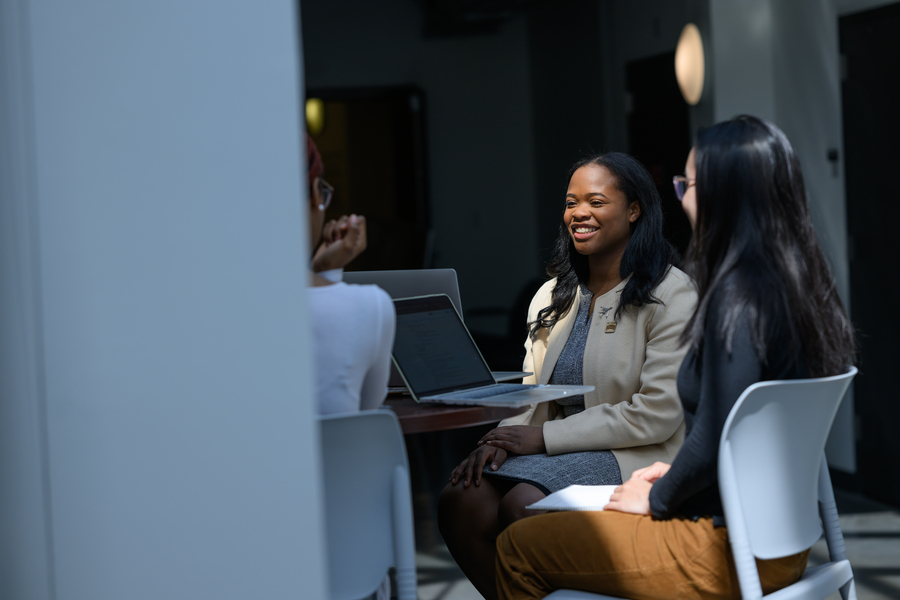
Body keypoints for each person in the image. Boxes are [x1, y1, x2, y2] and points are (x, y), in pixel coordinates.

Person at [495, 115, 857, 600]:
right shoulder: (800, 288)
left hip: (718, 546)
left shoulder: (735, 297)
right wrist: (673, 473)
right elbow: (740, 436)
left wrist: (659, 495)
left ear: (724, 193)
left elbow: (715, 436)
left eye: (687, 183)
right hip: (780, 542)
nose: (682, 197)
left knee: (519, 546)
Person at [438, 152, 697, 600]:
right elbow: (532, 397)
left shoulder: (670, 293)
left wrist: (542, 439)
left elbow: (657, 414)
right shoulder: (550, 296)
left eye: (596, 201)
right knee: (462, 498)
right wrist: (498, 442)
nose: (580, 213)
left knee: (524, 503)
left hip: (638, 454)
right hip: (557, 449)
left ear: (634, 210)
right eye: (571, 201)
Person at [306, 134, 395, 415]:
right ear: (313, 194)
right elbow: (363, 413)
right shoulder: (370, 306)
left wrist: (322, 273)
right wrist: (324, 277)